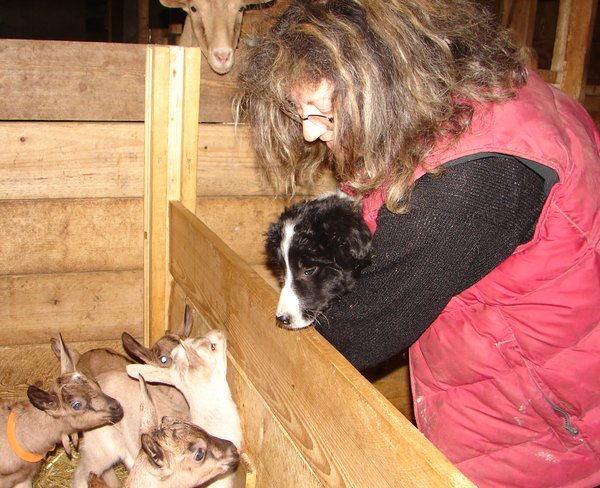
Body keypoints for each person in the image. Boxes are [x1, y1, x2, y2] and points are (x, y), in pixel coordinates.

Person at [235, 1, 600, 486]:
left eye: (323, 112)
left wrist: (250, 354)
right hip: (524, 374)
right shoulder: (480, 95)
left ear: (381, 81)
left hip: (538, 423)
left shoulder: (470, 184)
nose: (308, 132)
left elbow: (358, 331)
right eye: (299, 112)